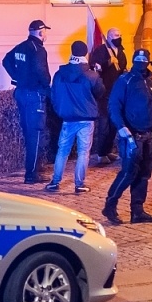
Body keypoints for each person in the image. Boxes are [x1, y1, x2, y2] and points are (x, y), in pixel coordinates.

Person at [102, 48, 152, 225]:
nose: (141, 63)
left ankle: (137, 211)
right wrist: (121, 127)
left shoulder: (150, 80)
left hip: (149, 135)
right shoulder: (125, 80)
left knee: (144, 175)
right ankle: (110, 206)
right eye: (138, 59)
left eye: (144, 59)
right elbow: (113, 105)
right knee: (128, 173)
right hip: (132, 136)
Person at [46, 40, 102, 193]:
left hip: (67, 118)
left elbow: (54, 95)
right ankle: (79, 184)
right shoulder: (91, 75)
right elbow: (100, 92)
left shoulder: (59, 74)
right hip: (86, 118)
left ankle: (55, 181)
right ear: (85, 53)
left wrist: (60, 111)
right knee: (83, 152)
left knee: (62, 150)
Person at [2, 19, 51, 183]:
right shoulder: (38, 50)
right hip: (34, 94)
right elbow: (41, 71)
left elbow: (6, 60)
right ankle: (32, 174)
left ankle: (33, 167)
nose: (46, 34)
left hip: (21, 93)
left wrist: (17, 77)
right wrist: (46, 84)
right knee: (35, 133)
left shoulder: (21, 46)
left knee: (28, 132)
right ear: (40, 32)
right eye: (45, 31)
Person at [88, 28, 128, 165]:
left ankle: (108, 150)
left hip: (117, 93)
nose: (119, 37)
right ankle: (101, 153)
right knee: (104, 124)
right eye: (117, 35)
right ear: (109, 37)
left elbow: (123, 67)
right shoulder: (101, 51)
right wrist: (106, 63)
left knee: (113, 124)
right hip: (105, 93)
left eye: (120, 35)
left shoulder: (121, 51)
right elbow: (95, 67)